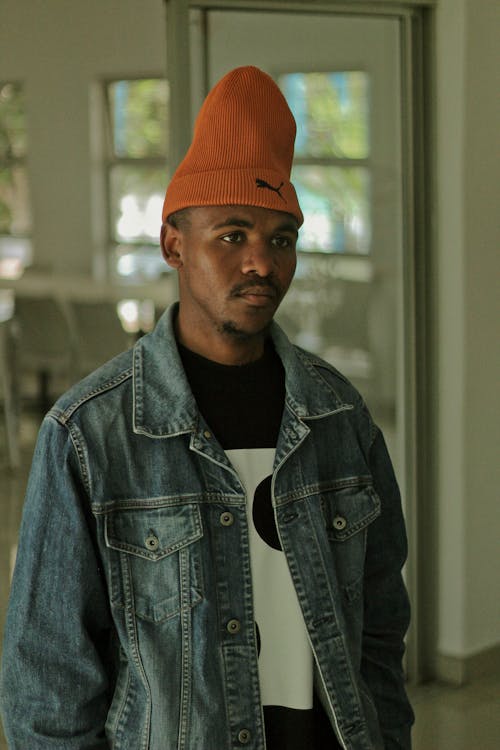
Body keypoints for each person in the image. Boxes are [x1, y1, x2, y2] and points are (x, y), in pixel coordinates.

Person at [0, 66, 414, 749]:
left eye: (281, 238)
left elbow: (378, 632)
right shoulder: (90, 435)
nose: (261, 262)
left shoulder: (339, 417)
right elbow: (48, 687)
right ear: (173, 245)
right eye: (232, 235)